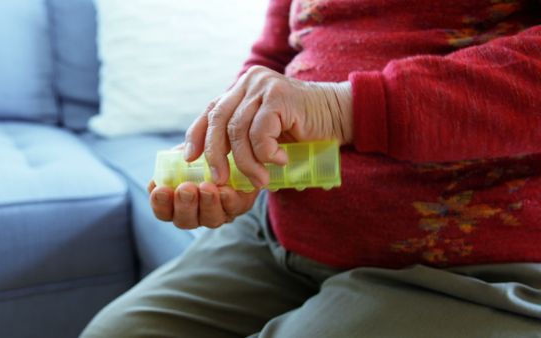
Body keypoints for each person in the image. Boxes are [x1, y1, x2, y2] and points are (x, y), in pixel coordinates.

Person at [81, 0, 541, 337]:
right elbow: (280, 51)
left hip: (470, 267)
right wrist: (241, 143)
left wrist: (345, 109)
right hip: (281, 233)